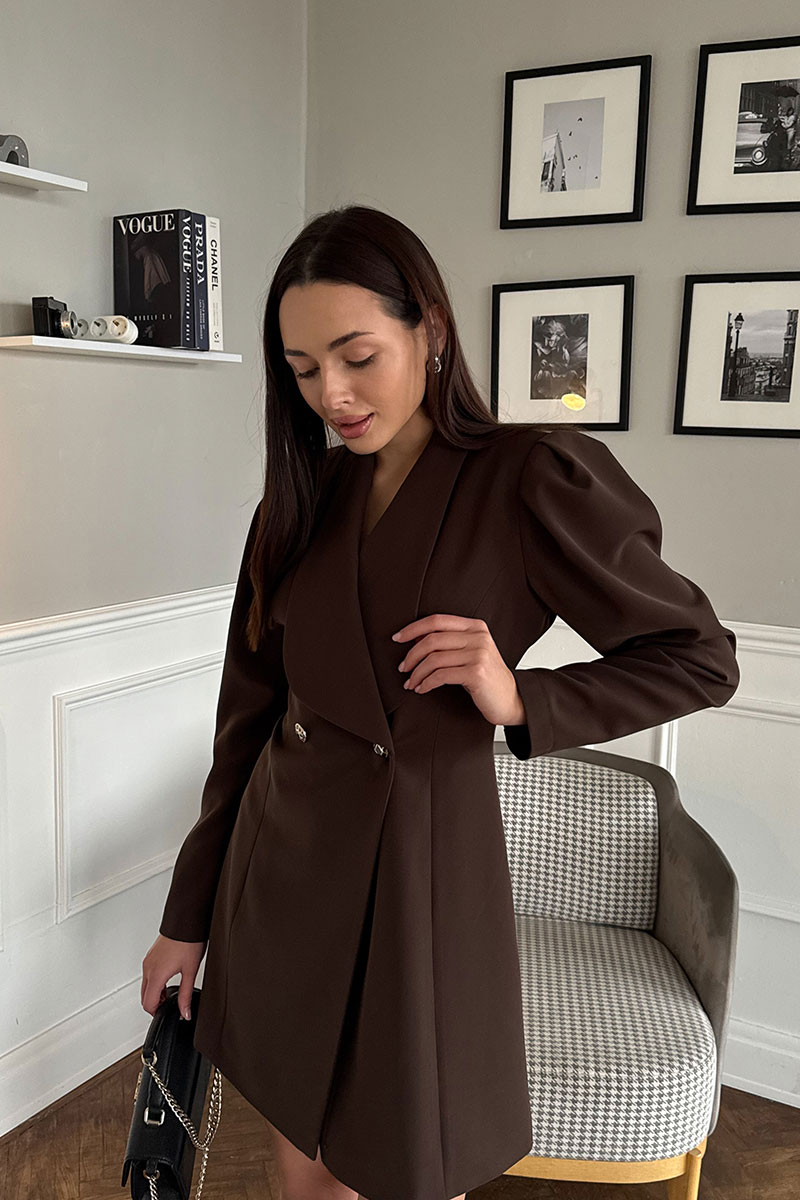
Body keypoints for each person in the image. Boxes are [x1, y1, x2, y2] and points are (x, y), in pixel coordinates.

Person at [140, 204, 740, 1200]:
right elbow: (243, 725)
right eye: (302, 369)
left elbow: (699, 658)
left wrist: (517, 695)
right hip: (278, 875)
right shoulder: (297, 500)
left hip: (418, 884)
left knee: (412, 1165)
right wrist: (187, 916)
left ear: (430, 328)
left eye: (357, 356)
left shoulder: (529, 477)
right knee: (303, 1167)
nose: (331, 395)